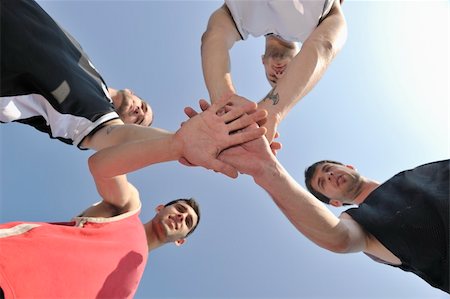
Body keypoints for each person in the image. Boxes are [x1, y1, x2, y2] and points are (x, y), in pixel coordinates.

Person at [0, 97, 266, 298]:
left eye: (187, 221)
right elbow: (100, 166)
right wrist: (178, 146)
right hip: (8, 270)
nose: (181, 216)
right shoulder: (127, 210)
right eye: (181, 209)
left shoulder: (128, 288)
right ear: (160, 207)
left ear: (181, 241)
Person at [215, 131, 449, 293]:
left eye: (327, 169)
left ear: (348, 167)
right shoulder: (361, 222)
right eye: (321, 183)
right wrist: (268, 171)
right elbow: (339, 237)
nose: (327, 176)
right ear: (334, 203)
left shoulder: (416, 173)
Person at [0, 0, 153, 150]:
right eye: (143, 107)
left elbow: (113, 142)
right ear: (131, 92)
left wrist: (172, 144)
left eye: (138, 121)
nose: (139, 112)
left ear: (124, 127)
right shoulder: (87, 66)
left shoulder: (87, 122)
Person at [201, 0, 347, 142]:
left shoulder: (237, 18)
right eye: (285, 77)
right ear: (299, 60)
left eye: (272, 77)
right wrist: (270, 113)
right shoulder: (322, 20)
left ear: (263, 61)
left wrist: (225, 106)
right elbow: (324, 45)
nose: (278, 74)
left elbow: (214, 36)